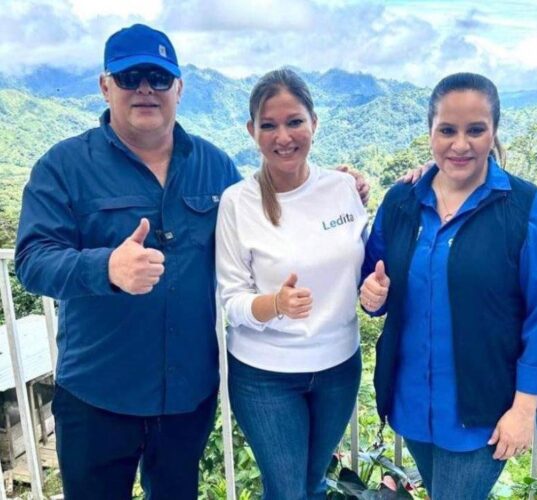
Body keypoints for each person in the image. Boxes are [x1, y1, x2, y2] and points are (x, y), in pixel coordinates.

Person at [14, 25, 368, 499]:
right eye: (129, 77)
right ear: (105, 85)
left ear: (178, 87)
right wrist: (106, 269)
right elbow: (32, 261)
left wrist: (335, 190)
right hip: (99, 394)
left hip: (187, 396)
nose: (145, 88)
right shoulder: (63, 166)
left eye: (159, 77)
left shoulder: (214, 165)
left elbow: (268, 212)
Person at [360, 72, 537, 499]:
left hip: (483, 412)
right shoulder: (402, 202)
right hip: (413, 403)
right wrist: (372, 296)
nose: (461, 144)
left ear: (494, 133)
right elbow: (374, 281)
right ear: (430, 132)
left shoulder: (527, 208)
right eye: (447, 130)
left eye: (476, 130)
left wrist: (524, 408)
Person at [215, 68, 367, 500]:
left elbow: (365, 257)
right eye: (269, 125)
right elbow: (231, 299)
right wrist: (275, 305)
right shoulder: (237, 202)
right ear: (252, 131)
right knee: (286, 492)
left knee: (314, 483)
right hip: (265, 374)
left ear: (314, 123)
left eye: (294, 121)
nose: (284, 136)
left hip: (339, 366)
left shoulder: (342, 189)